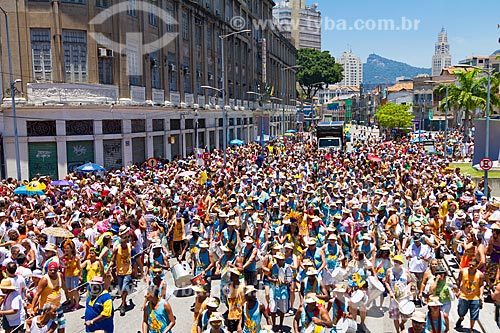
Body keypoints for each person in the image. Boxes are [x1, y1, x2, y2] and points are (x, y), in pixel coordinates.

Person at [30, 261, 66, 333]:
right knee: (48, 328)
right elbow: (37, 294)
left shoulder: (60, 275)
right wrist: (32, 308)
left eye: (54, 270)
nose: (52, 271)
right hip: (47, 309)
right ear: (48, 270)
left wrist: (68, 297)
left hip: (57, 306)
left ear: (57, 270)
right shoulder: (44, 279)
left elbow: (64, 286)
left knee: (62, 325)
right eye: (50, 270)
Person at [107, 225, 133, 316]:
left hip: (128, 271)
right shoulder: (117, 248)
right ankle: (124, 301)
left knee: (124, 287)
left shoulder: (130, 245)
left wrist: (128, 232)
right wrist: (108, 268)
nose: (124, 242)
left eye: (126, 239)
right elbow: (112, 260)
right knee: (121, 289)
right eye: (123, 239)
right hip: (119, 271)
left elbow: (133, 238)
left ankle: (122, 305)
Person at [455, 258, 484, 332]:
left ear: (477, 266)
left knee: (474, 315)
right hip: (463, 295)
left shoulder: (480, 275)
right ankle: (461, 318)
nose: (471, 266)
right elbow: (458, 280)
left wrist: (481, 295)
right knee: (461, 312)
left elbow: (481, 285)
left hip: (475, 297)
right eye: (469, 264)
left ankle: (471, 328)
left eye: (473, 265)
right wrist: (457, 290)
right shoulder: (463, 271)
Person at [384, 255, 411, 333]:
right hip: (394, 298)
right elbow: (386, 281)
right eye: (395, 261)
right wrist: (390, 291)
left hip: (404, 297)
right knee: (395, 317)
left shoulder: (405, 271)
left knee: (405, 316)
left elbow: (409, 282)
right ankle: (397, 331)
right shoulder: (389, 271)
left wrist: (408, 290)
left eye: (398, 262)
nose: (396, 263)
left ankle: (402, 323)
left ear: (401, 263)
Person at [224, 268, 246, 333]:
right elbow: (227, 301)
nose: (231, 276)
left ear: (237, 276)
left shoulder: (242, 288)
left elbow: (243, 306)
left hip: (240, 316)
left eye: (233, 275)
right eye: (231, 275)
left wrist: (239, 323)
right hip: (231, 316)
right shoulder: (227, 288)